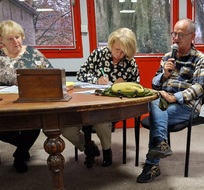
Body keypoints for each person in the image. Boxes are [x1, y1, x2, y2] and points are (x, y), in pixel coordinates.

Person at [136, 18, 204, 183]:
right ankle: (160, 143)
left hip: (186, 106)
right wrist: (164, 74)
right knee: (156, 100)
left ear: (192, 36)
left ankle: (152, 164)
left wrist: (175, 97)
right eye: (174, 34)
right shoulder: (168, 57)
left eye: (181, 35)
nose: (176, 38)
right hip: (163, 102)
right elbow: (155, 83)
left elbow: (200, 87)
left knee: (157, 112)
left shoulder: (200, 58)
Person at [62, 28, 140, 167]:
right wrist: (96, 80)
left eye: (123, 52)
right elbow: (81, 74)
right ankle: (89, 147)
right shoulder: (99, 54)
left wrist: (124, 86)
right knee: (66, 129)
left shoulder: (130, 62)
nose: (119, 54)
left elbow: (136, 86)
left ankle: (107, 150)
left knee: (101, 121)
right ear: (111, 43)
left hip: (110, 106)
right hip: (88, 101)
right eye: (117, 49)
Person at [0, 20, 53, 173]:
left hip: (29, 101)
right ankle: (23, 148)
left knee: (33, 126)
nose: (15, 41)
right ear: (1, 39)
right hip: (4, 103)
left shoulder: (33, 54)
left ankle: (19, 155)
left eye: (18, 37)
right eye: (10, 38)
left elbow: (51, 76)